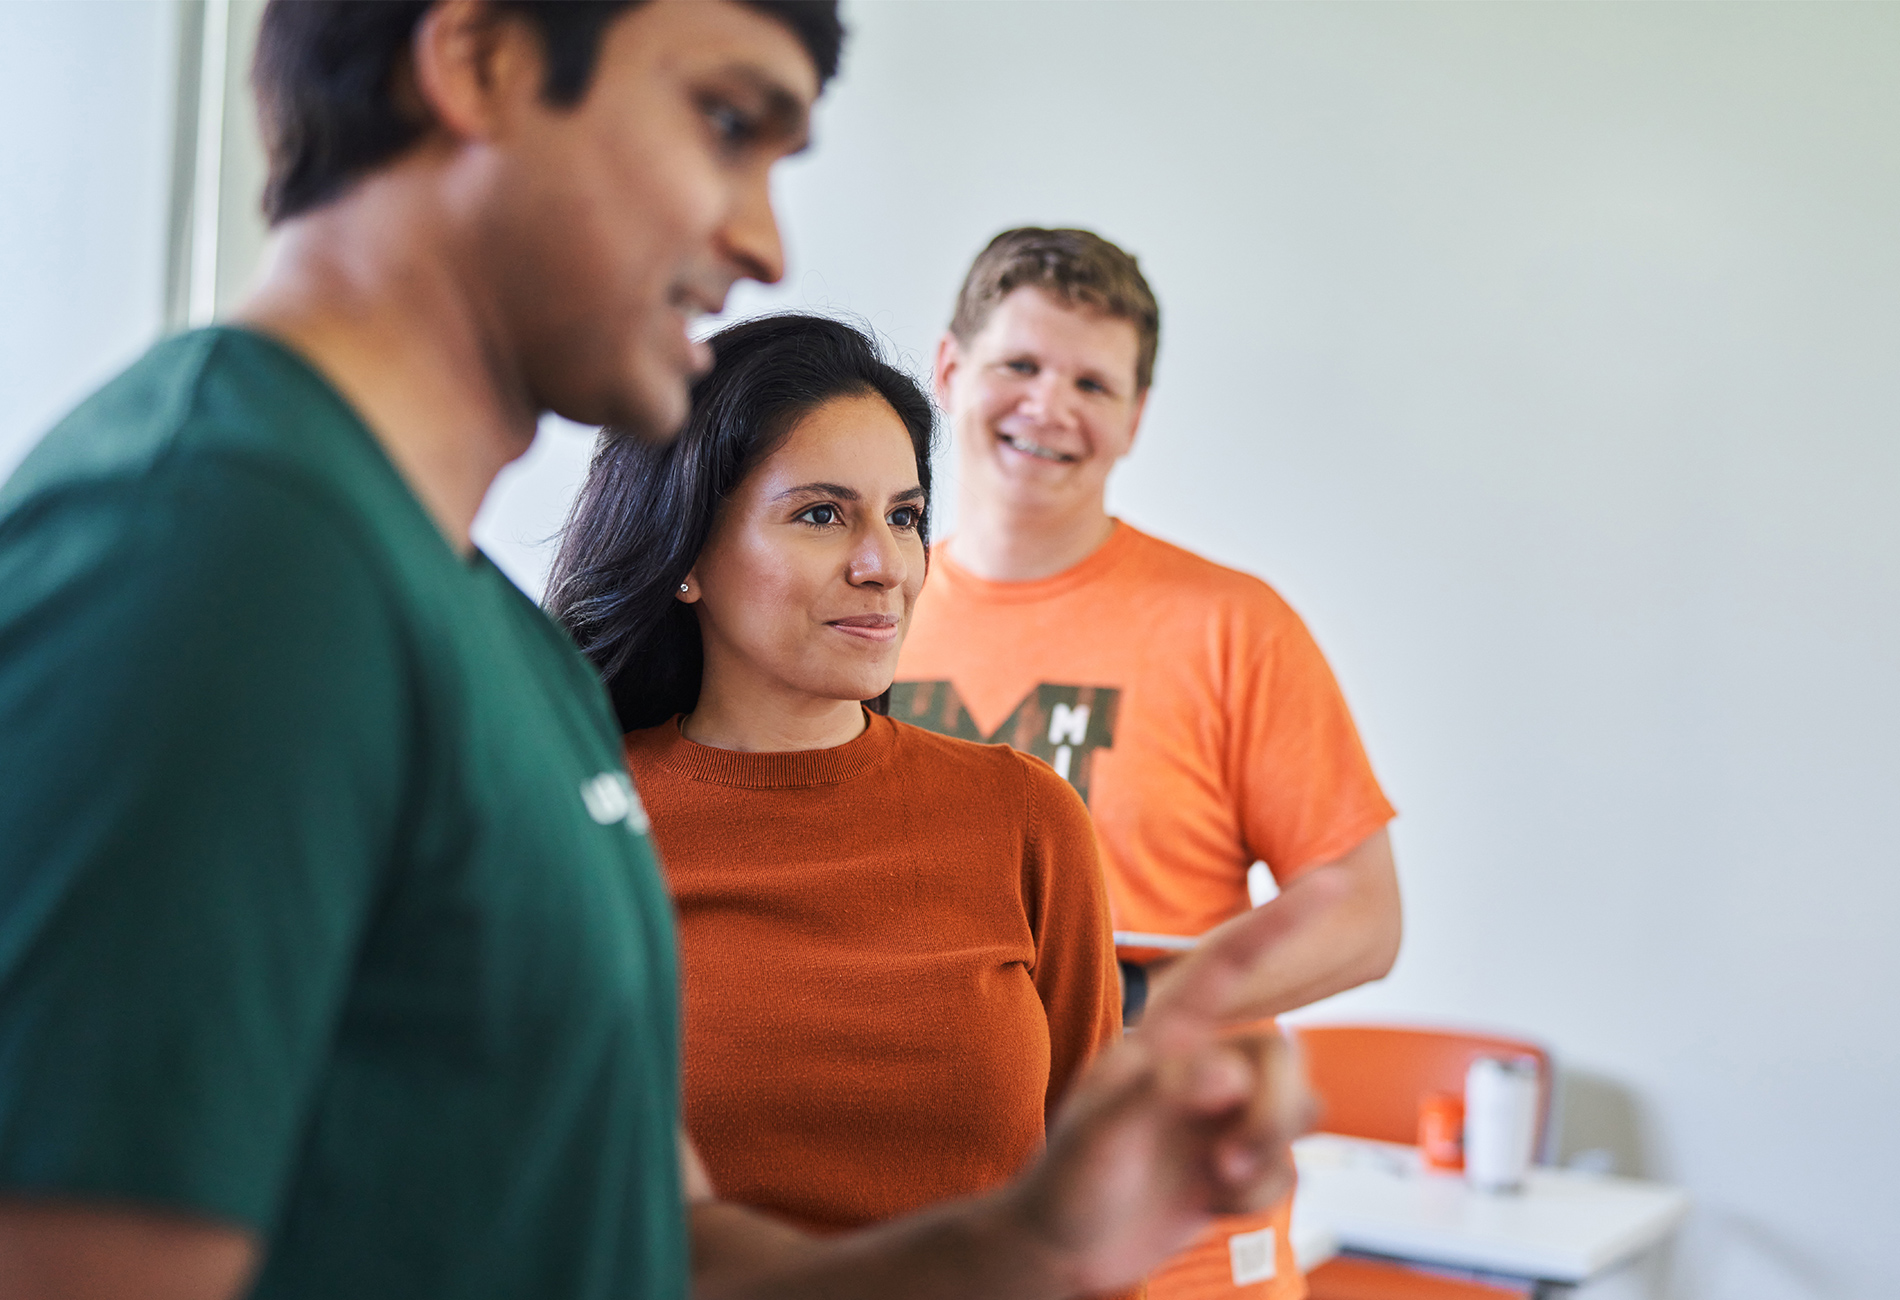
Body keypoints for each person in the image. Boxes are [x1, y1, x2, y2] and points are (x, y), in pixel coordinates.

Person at [0, 8, 1309, 1300]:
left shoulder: (501, 654)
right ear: (479, 61)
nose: (761, 237)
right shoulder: (217, 549)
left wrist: (1031, 1246)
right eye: (724, 122)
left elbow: (655, 1246)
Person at [893, 227, 1403, 1300]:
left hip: (1180, 1237)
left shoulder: (1230, 625)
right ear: (948, 370)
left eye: (1092, 381)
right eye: (1020, 366)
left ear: (1133, 417)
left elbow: (1361, 912)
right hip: (939, 1220)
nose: (1050, 407)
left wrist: (1136, 1009)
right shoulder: (868, 617)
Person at [546, 311, 1126, 1245]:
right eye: (822, 515)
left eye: (905, 518)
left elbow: (1096, 1216)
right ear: (688, 552)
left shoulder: (1024, 819)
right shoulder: (579, 820)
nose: (884, 566)